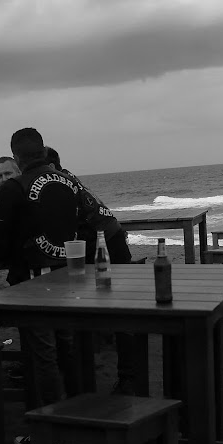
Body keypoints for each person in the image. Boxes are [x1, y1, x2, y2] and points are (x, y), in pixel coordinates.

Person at [0, 128, 86, 444]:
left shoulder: (13, 190)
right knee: (68, 348)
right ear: (43, 150)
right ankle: (79, 416)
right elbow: (94, 222)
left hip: (35, 280)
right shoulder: (70, 182)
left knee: (42, 354)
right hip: (70, 275)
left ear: (17, 158)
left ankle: (51, 431)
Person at [46, 146, 137, 395]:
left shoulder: (58, 183)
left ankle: (125, 377)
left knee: (116, 308)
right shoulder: (67, 177)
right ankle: (114, 374)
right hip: (108, 237)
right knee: (113, 307)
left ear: (51, 168)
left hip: (104, 242)